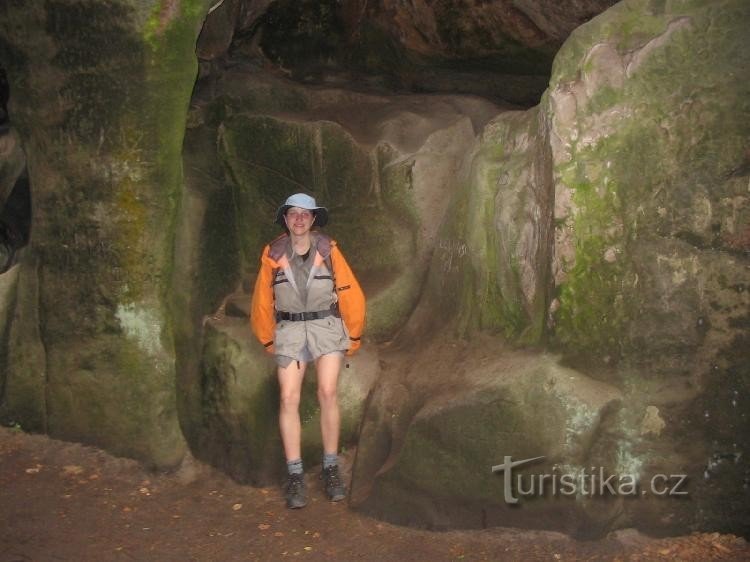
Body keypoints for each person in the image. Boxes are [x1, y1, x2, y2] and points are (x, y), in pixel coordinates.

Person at [250, 193, 365, 509]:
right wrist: (267, 337)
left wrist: (352, 335)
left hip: (325, 326)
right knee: (288, 398)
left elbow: (349, 291)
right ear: (285, 220)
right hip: (289, 329)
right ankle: (295, 474)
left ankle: (330, 467)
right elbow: (262, 298)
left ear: (314, 219)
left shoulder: (328, 250)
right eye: (293, 214)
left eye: (305, 214)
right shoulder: (273, 253)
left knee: (328, 392)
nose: (299, 219)